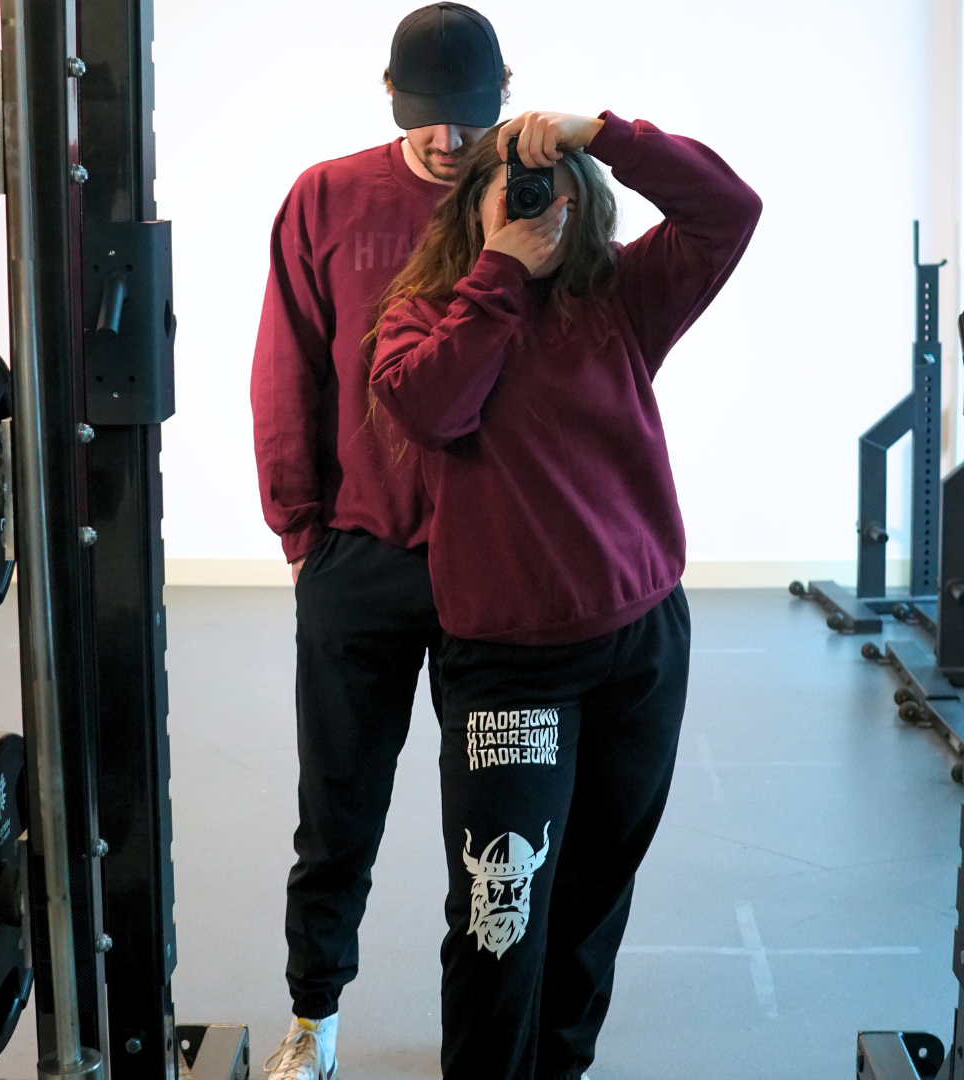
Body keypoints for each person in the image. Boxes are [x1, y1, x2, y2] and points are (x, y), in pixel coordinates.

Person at [369, 110, 761, 1079]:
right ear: (475, 204)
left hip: (640, 649)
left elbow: (729, 210)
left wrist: (604, 132)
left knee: (590, 901)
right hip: (511, 673)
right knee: (501, 917)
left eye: (555, 179)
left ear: (585, 198)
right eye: (516, 180)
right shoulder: (428, 315)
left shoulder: (621, 298)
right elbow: (427, 405)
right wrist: (498, 274)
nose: (539, 194)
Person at [250, 6, 512, 1079]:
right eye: (426, 119)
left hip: (499, 575)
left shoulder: (531, 196)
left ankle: (485, 1046)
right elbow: (286, 368)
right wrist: (301, 534)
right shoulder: (327, 195)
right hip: (359, 560)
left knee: (494, 838)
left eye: (468, 119)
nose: (448, 142)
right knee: (337, 816)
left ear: (504, 97)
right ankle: (316, 1018)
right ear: (389, 97)